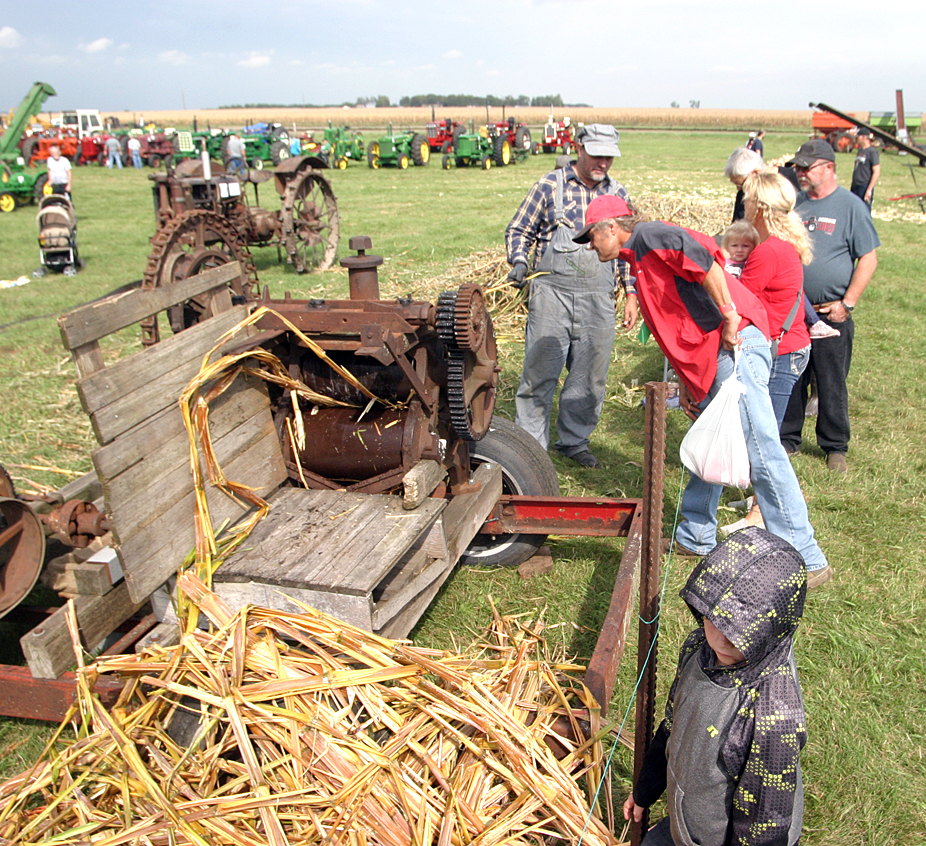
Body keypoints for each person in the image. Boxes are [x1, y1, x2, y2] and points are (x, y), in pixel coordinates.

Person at [576, 194, 832, 585]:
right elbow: (677, 324)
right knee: (712, 438)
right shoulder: (637, 260)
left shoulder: (650, 236)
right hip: (715, 357)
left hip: (735, 344)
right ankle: (695, 536)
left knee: (761, 448)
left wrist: (730, 315)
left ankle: (807, 556)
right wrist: (692, 384)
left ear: (612, 227)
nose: (591, 246)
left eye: (592, 237)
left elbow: (705, 260)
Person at [624, 526, 808, 846]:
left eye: (739, 631)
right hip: (688, 822)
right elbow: (673, 725)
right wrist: (645, 792)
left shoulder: (773, 717)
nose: (721, 640)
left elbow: (765, 826)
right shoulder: (699, 647)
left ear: (772, 629)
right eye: (715, 619)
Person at [505, 124, 635, 469]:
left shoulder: (619, 194)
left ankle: (574, 441)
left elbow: (626, 247)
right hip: (552, 296)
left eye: (609, 156)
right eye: (597, 154)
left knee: (589, 376)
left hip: (598, 299)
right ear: (579, 147)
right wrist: (519, 261)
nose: (603, 162)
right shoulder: (550, 185)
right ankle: (531, 447)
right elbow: (520, 229)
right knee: (539, 372)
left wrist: (631, 292)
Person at [780, 139, 880, 473]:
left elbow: (868, 258)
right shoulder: (797, 206)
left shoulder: (851, 207)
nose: (801, 173)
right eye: (798, 167)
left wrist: (847, 304)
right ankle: (787, 439)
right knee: (792, 378)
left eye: (806, 167)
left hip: (831, 312)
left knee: (831, 380)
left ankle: (835, 446)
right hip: (795, 312)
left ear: (829, 168)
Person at [850, 128, 880, 209]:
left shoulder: (872, 152)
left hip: (864, 186)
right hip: (855, 185)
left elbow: (876, 171)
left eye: (858, 137)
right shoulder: (860, 150)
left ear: (863, 137)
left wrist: (869, 189)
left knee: (864, 211)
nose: (857, 139)